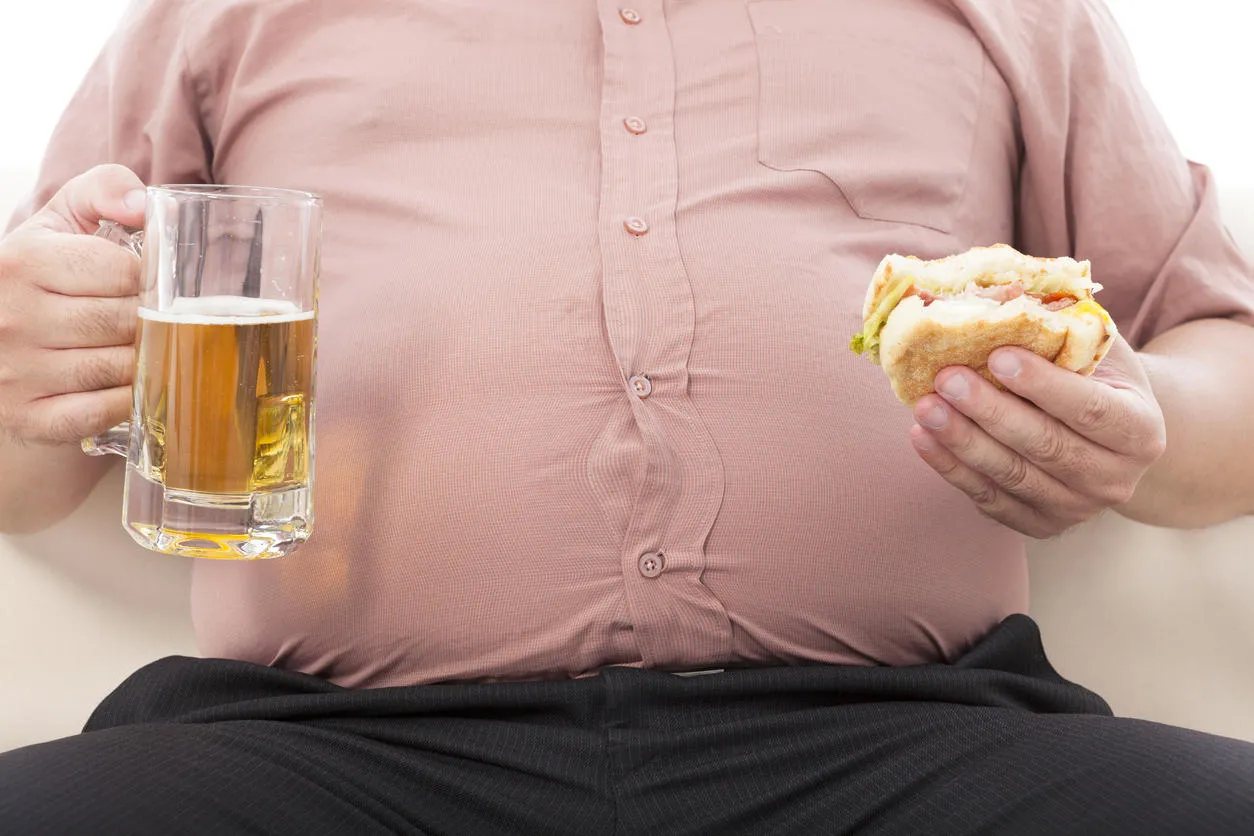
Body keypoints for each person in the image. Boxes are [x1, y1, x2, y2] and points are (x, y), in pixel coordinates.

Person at [2, 0, 1253, 833]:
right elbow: (29, 476)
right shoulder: (222, 11)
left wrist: (1146, 422)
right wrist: (19, 377)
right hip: (315, 749)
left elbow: (1225, 365)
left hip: (916, 738)